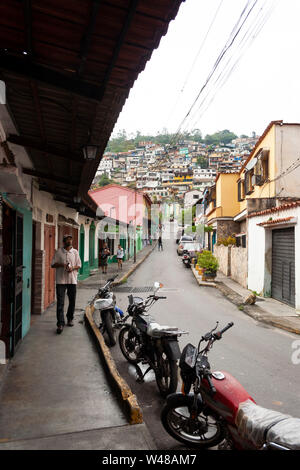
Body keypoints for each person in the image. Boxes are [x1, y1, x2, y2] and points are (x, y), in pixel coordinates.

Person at [51, 234, 82, 334]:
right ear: (64, 241)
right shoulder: (58, 252)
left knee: (72, 301)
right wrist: (62, 265)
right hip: (61, 281)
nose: (69, 241)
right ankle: (60, 323)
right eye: (67, 239)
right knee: (60, 303)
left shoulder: (75, 252)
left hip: (72, 280)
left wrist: (72, 268)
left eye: (70, 239)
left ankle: (70, 318)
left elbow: (79, 265)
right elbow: (53, 264)